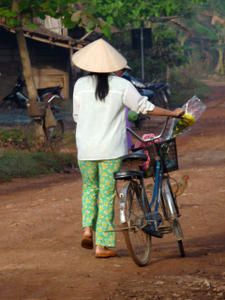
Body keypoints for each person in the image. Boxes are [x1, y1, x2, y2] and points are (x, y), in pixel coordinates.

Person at [72, 38, 184, 258]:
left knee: (89, 188)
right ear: (115, 66)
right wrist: (172, 113)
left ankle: (87, 228)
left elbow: (77, 116)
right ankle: (102, 245)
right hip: (110, 151)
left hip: (85, 150)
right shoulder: (122, 85)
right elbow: (145, 108)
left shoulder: (80, 85)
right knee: (106, 194)